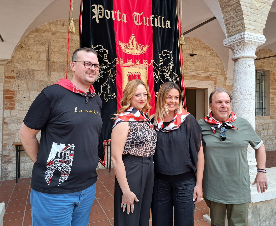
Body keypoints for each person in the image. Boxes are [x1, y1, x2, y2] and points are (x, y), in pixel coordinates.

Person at [19, 47, 103, 226]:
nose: (92, 68)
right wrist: (41, 161)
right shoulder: (53, 94)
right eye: (87, 63)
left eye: (95, 65)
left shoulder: (96, 99)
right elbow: (26, 134)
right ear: (73, 66)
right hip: (55, 190)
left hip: (87, 187)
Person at [198, 88, 268, 226]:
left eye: (227, 102)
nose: (224, 105)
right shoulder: (201, 125)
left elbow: (260, 146)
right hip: (214, 187)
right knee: (217, 223)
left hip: (239, 188)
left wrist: (261, 171)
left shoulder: (242, 124)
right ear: (210, 105)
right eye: (219, 102)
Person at [151, 82, 205, 226]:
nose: (173, 101)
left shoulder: (187, 120)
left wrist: (199, 184)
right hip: (160, 183)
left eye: (176, 97)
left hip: (185, 183)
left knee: (184, 223)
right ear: (162, 98)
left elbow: (199, 152)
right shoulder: (154, 122)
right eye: (169, 97)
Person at [111, 79, 157, 226]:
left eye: (145, 94)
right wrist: (125, 190)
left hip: (148, 167)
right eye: (137, 95)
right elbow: (116, 158)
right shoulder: (123, 120)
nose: (142, 98)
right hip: (132, 168)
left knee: (143, 215)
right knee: (129, 215)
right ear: (129, 96)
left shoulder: (145, 118)